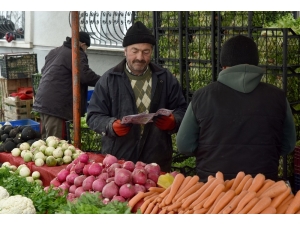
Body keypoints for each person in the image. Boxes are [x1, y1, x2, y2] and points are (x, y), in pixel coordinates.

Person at [176, 35, 297, 182]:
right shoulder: (278, 97)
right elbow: (288, 145)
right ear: (255, 64)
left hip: (212, 190)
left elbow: (184, 145)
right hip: (263, 187)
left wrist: (211, 149)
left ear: (224, 65)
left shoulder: (202, 96)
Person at [86, 21, 187, 172]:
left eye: (146, 51)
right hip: (119, 159)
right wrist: (111, 126)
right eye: (135, 50)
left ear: (151, 52)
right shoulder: (109, 79)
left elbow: (182, 109)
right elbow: (93, 116)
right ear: (125, 51)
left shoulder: (165, 78)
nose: (140, 57)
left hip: (156, 157)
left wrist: (174, 121)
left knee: (156, 195)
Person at [32, 31, 100, 140]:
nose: (86, 50)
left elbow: (44, 70)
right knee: (55, 144)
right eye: (86, 47)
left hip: (43, 101)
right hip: (57, 106)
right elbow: (85, 75)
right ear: (83, 44)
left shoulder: (55, 51)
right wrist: (104, 81)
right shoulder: (76, 53)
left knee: (46, 142)